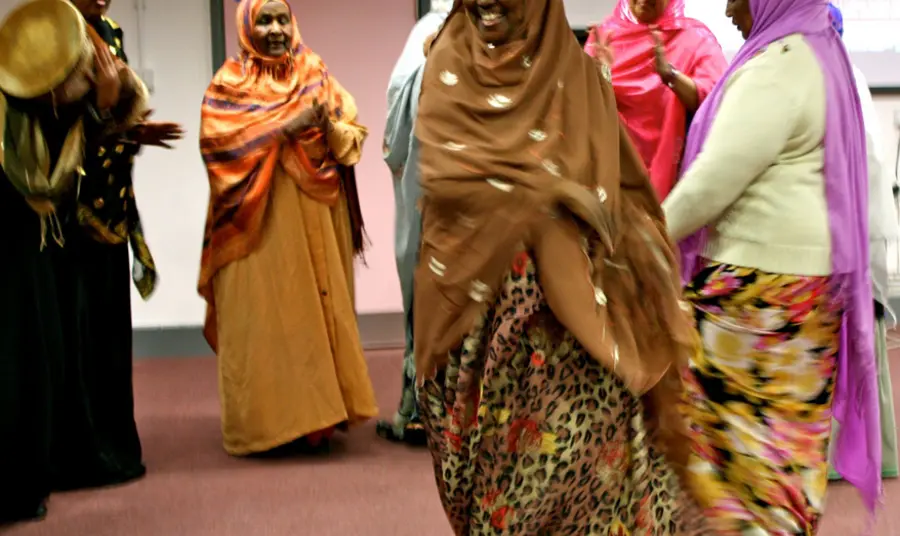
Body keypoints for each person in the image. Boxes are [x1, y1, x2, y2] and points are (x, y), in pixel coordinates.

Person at [413, 0, 708, 533]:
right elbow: (442, 183)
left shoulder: (574, 75)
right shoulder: (445, 64)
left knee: (588, 486)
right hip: (479, 329)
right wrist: (535, 194)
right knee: (497, 495)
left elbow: (619, 194)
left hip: (573, 335)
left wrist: (558, 204)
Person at [663, 0, 880, 532]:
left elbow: (709, 187)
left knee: (730, 461)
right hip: (802, 292)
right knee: (781, 454)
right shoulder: (818, 52)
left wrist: (637, 238)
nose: (731, 8)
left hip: (757, 298)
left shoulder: (778, 65)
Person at [198, 0, 378, 456]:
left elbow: (352, 135)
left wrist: (328, 127)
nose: (276, 29)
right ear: (246, 26)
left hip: (317, 217)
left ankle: (317, 422)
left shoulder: (315, 71)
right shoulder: (228, 84)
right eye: (265, 19)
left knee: (312, 315)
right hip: (258, 227)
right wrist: (285, 127)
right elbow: (218, 145)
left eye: (282, 19)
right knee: (267, 319)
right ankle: (268, 425)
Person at [0, 0, 151, 523]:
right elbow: (41, 124)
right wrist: (99, 107)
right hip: (56, 222)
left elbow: (92, 125)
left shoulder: (104, 31)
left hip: (97, 214)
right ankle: (63, 455)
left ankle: (97, 446)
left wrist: (113, 110)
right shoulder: (41, 27)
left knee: (87, 338)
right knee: (50, 342)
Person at [58, 0, 184, 491]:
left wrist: (133, 130)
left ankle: (114, 445)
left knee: (110, 332)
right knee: (77, 332)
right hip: (68, 214)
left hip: (111, 207)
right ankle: (78, 454)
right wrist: (103, 106)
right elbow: (53, 130)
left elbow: (107, 122)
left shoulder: (106, 31)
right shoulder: (53, 34)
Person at [825, 1, 899, 481]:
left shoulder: (838, 79)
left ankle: (851, 459)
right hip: (848, 240)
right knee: (859, 350)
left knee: (846, 348)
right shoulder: (846, 76)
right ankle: (877, 454)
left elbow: (859, 171)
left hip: (842, 242)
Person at [378, 0, 451, 446]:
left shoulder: (514, 32)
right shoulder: (430, 30)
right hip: (432, 194)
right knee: (427, 298)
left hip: (485, 203)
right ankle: (421, 407)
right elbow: (399, 117)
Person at [585, 0, 727, 200]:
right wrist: (600, 74)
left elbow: (716, 99)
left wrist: (670, 75)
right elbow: (584, 107)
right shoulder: (604, 38)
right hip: (614, 169)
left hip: (674, 174)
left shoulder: (695, 38)